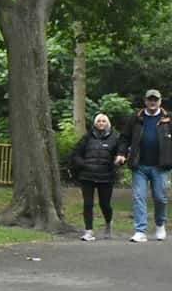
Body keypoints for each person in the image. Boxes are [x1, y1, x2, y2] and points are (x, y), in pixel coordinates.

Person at [115, 88, 172, 242]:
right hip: (139, 165)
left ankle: (160, 224)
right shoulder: (136, 118)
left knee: (160, 197)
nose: (152, 102)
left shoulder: (168, 119)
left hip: (160, 166)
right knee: (139, 197)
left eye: (155, 100)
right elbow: (124, 137)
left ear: (160, 101)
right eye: (149, 99)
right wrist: (121, 154)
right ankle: (140, 230)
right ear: (145, 101)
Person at [70, 113, 121, 241]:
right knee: (88, 204)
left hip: (106, 177)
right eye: (99, 121)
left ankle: (108, 224)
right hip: (87, 176)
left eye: (104, 121)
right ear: (95, 123)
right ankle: (88, 231)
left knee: (105, 204)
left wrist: (119, 161)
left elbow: (121, 154)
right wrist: (83, 164)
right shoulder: (87, 137)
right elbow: (76, 153)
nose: (101, 123)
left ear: (108, 123)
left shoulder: (115, 138)